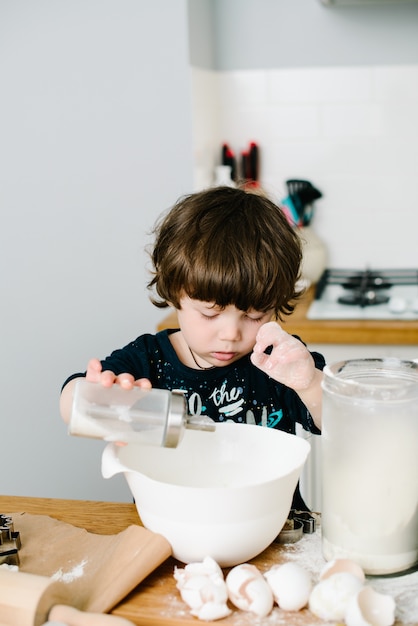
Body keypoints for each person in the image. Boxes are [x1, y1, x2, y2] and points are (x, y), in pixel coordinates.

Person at [60, 185, 325, 509]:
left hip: (273, 529)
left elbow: (339, 421)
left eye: (254, 315)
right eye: (210, 313)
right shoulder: (149, 360)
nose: (230, 334)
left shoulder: (279, 360)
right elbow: (72, 402)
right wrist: (103, 394)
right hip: (171, 527)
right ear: (175, 294)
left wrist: (310, 384)